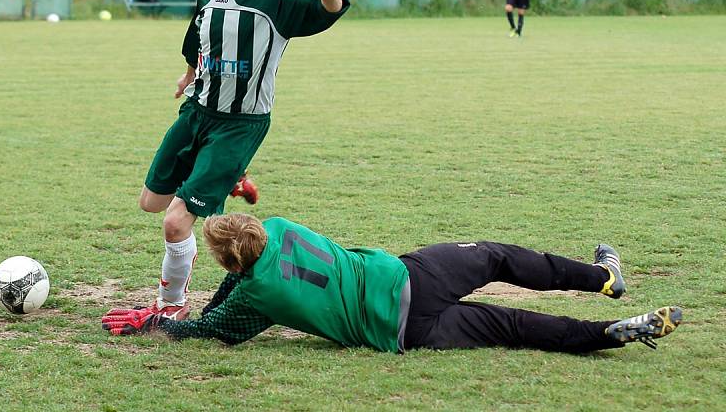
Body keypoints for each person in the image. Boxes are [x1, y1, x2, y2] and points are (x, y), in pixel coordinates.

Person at [135, 0, 350, 321]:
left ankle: (173, 306)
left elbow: (325, 11)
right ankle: (226, 177)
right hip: (197, 113)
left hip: (239, 127)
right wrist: (189, 73)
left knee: (175, 222)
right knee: (151, 202)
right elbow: (198, 34)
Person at [102, 213, 682, 354]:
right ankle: (604, 279)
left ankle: (606, 334)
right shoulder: (278, 226)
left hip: (404, 330)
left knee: (512, 327)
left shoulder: (260, 295)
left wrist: (167, 325)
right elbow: (240, 283)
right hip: (410, 273)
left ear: (231, 265)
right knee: (503, 257)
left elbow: (222, 330)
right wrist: (221, 294)